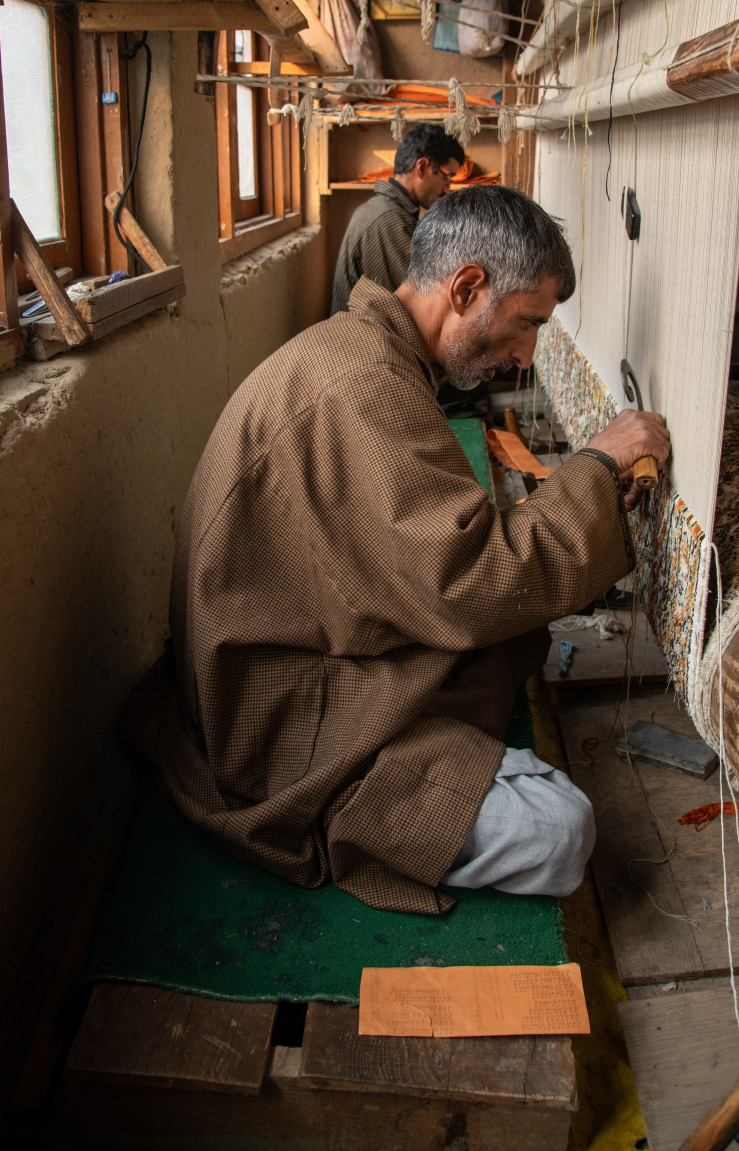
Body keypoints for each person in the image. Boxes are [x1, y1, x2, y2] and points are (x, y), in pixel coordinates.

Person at [122, 186, 670, 916]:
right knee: (559, 831)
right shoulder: (365, 385)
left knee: (504, 648)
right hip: (274, 718)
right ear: (466, 287)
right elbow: (470, 583)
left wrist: (588, 494)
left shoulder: (365, 353)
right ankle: (377, 805)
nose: (526, 355)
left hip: (286, 656)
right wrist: (596, 466)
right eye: (528, 323)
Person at [329, 122, 463, 315]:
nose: (448, 188)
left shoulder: (390, 210)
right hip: (364, 334)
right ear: (422, 167)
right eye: (447, 177)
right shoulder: (388, 219)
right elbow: (420, 300)